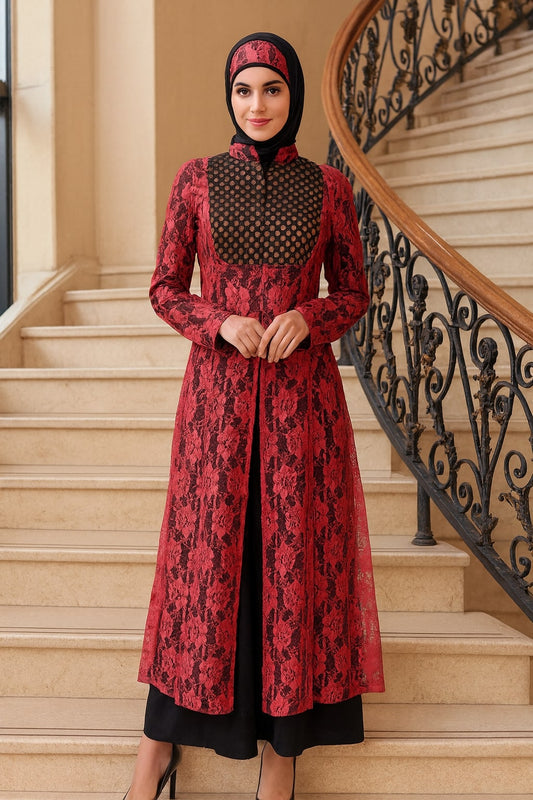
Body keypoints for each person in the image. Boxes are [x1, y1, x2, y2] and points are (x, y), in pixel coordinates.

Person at [123, 31, 385, 800]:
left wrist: (309, 316)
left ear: (292, 95)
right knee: (202, 568)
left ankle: (281, 762)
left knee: (291, 566)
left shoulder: (327, 188)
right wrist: (218, 321)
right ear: (229, 97)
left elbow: (354, 291)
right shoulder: (196, 180)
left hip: (302, 410)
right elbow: (164, 286)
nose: (257, 104)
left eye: (272, 89)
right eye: (243, 90)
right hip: (217, 409)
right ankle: (155, 755)